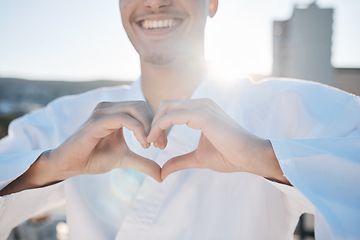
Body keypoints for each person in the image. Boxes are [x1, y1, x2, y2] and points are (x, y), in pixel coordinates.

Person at [1, 0, 359, 239]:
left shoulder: (285, 107)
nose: (155, 2)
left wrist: (265, 157)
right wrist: (48, 168)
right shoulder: (67, 119)